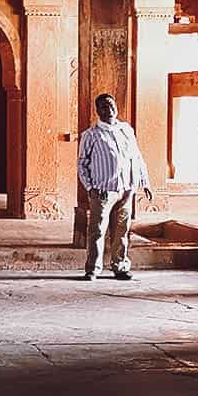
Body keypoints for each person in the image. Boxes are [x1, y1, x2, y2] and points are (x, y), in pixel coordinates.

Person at [77, 92, 151, 280]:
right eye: (103, 107)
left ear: (116, 106)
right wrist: (90, 187)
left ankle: (120, 266)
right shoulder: (91, 135)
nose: (108, 110)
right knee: (97, 231)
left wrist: (144, 182)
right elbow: (82, 163)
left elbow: (137, 156)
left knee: (122, 230)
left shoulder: (126, 130)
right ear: (97, 111)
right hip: (103, 190)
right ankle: (93, 269)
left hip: (126, 189)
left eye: (110, 105)